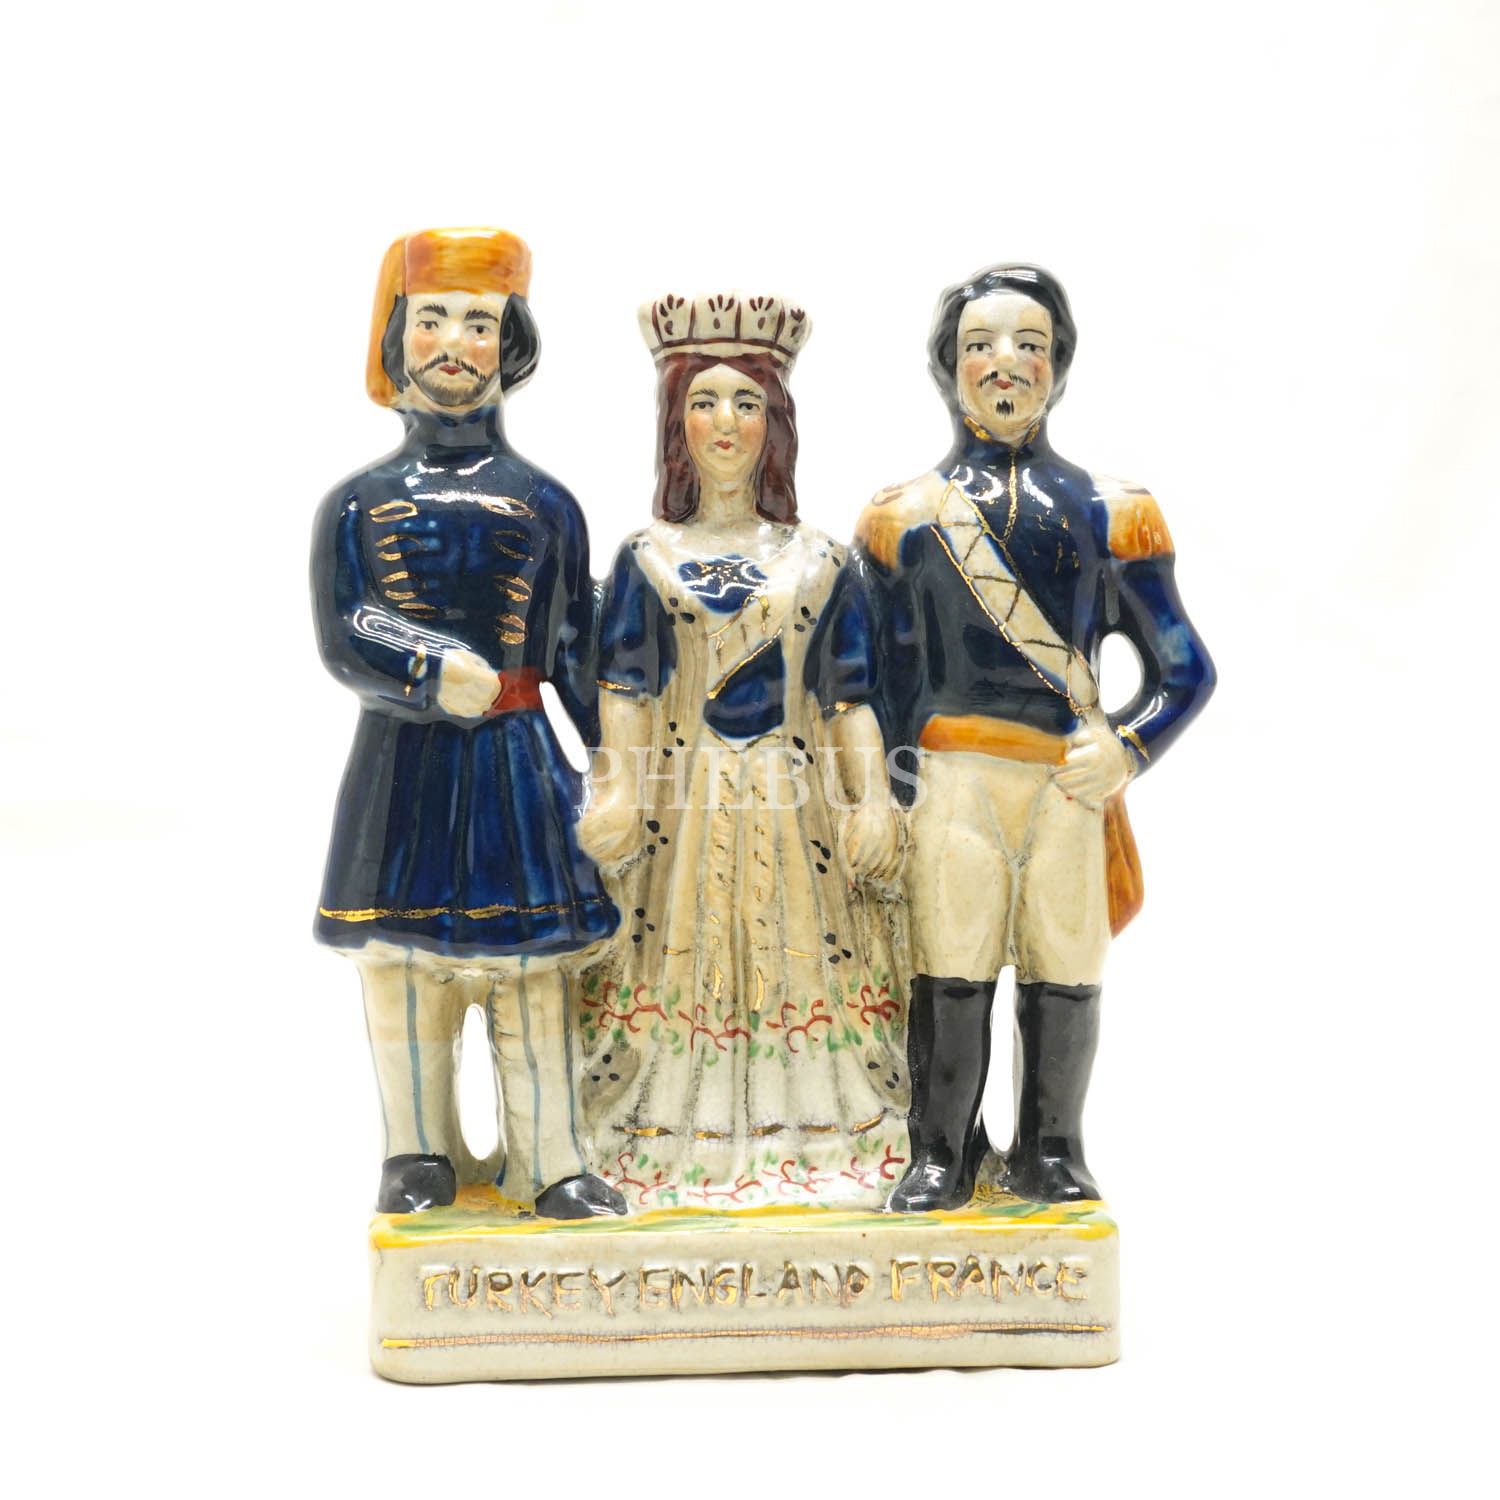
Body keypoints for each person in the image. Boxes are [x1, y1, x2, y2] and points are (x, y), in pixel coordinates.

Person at [849, 264, 1216, 1210]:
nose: (1004, 364)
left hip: (1066, 780)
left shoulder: (1114, 512)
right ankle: (942, 1150)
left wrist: (1128, 746)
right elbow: (874, 681)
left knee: (1065, 968)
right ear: (948, 367)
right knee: (951, 966)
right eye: (980, 345)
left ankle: (1053, 1149)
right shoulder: (900, 518)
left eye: (1029, 345)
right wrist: (883, 794)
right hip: (951, 776)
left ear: (1059, 364)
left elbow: (1184, 669)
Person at [311, 227, 624, 1219]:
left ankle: (552, 1159)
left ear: (509, 344)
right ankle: (417, 1152)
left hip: (517, 764)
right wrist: (420, 669)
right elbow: (343, 635)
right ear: (396, 338)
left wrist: (616, 763)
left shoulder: (546, 504)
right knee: (405, 965)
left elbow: (573, 647)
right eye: (433, 319)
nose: (455, 343)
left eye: (478, 323)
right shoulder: (357, 506)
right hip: (403, 766)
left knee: (534, 971)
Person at [575, 293, 910, 1209]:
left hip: (793, 803)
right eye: (704, 402)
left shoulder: (822, 561)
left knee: (797, 952)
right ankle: (672, 1138)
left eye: (746, 402)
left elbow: (848, 698)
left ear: (776, 422)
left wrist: (871, 797)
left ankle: (810, 1132)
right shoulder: (647, 559)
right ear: (676, 424)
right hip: (683, 804)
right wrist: (620, 789)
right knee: (682, 953)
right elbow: (626, 689)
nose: (726, 423)